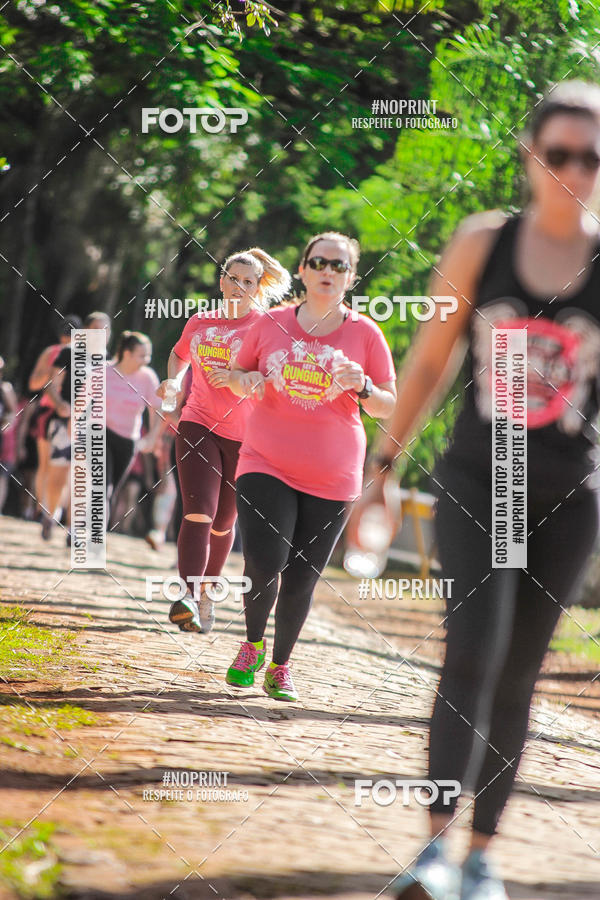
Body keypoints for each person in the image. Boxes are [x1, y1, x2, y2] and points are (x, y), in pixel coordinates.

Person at [361, 81, 600, 900]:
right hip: (478, 477)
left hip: (572, 492)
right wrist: (380, 468)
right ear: (531, 156)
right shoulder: (482, 242)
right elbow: (432, 360)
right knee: (472, 652)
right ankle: (432, 847)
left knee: (520, 673)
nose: (575, 170)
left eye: (592, 157)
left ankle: (480, 858)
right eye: (559, 153)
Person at [226, 231, 396, 701]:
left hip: (334, 474)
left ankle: (280, 666)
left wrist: (363, 387)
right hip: (265, 460)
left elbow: (388, 405)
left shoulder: (366, 334)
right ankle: (251, 645)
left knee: (302, 577)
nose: (328, 271)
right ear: (302, 269)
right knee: (264, 561)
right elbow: (238, 374)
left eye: (339, 266)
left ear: (351, 277)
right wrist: (250, 381)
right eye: (319, 262)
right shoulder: (270, 324)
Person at [156, 248, 291, 634]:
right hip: (198, 422)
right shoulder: (200, 321)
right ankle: (186, 594)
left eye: (248, 282)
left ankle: (206, 594)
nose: (239, 287)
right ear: (222, 281)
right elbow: (178, 355)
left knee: (223, 523)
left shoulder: (266, 327)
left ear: (257, 287)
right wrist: (175, 382)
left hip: (247, 438)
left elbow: (275, 383)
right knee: (199, 510)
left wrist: (239, 380)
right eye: (234, 279)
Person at [28, 314, 82, 530]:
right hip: (49, 412)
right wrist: (54, 374)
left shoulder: (90, 356)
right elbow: (34, 384)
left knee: (65, 468)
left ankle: (52, 511)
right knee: (48, 464)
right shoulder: (53, 353)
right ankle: (46, 511)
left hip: (74, 415)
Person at [105, 331, 161, 524]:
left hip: (128, 440)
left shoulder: (148, 378)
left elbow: (157, 409)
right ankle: (88, 534)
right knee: (101, 485)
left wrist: (152, 437)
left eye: (148, 355)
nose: (146, 360)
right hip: (100, 434)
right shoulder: (104, 372)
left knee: (111, 489)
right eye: (142, 355)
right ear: (127, 353)